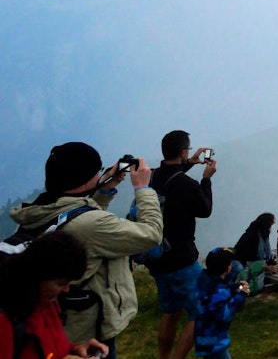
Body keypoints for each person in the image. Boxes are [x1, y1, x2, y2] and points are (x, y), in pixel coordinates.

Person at [8, 142, 163, 359]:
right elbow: (151, 234)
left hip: (64, 325)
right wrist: (143, 189)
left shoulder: (41, 211)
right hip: (89, 328)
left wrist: (105, 188)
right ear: (84, 179)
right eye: (97, 171)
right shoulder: (90, 224)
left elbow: (79, 214)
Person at [146, 130, 217, 359]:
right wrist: (206, 178)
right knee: (202, 311)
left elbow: (170, 178)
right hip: (182, 260)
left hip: (157, 257)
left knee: (171, 312)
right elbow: (205, 209)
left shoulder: (153, 176)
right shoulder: (187, 184)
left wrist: (190, 163)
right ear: (183, 151)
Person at [0, 231, 110, 359]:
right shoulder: (6, 319)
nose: (66, 290)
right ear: (39, 275)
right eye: (60, 283)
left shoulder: (46, 301)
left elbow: (51, 349)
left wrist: (76, 349)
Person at [194, 247, 250, 359]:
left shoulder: (205, 279)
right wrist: (241, 295)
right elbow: (225, 314)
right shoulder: (218, 290)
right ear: (227, 268)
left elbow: (221, 290)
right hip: (214, 341)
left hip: (203, 336)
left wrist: (235, 287)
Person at [232, 213, 277, 294]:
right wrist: (263, 266)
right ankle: (243, 289)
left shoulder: (263, 235)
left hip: (251, 262)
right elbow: (250, 259)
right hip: (242, 262)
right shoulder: (252, 236)